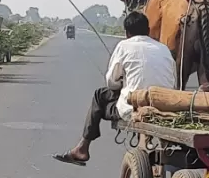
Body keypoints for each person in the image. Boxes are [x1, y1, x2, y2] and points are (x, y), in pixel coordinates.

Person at [55, 11, 176, 166]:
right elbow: (172, 82)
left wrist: (122, 84)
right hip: (164, 104)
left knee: (100, 95)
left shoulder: (123, 46)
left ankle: (83, 147)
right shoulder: (163, 48)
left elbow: (111, 82)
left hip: (133, 108)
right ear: (148, 30)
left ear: (127, 33)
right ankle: (82, 147)